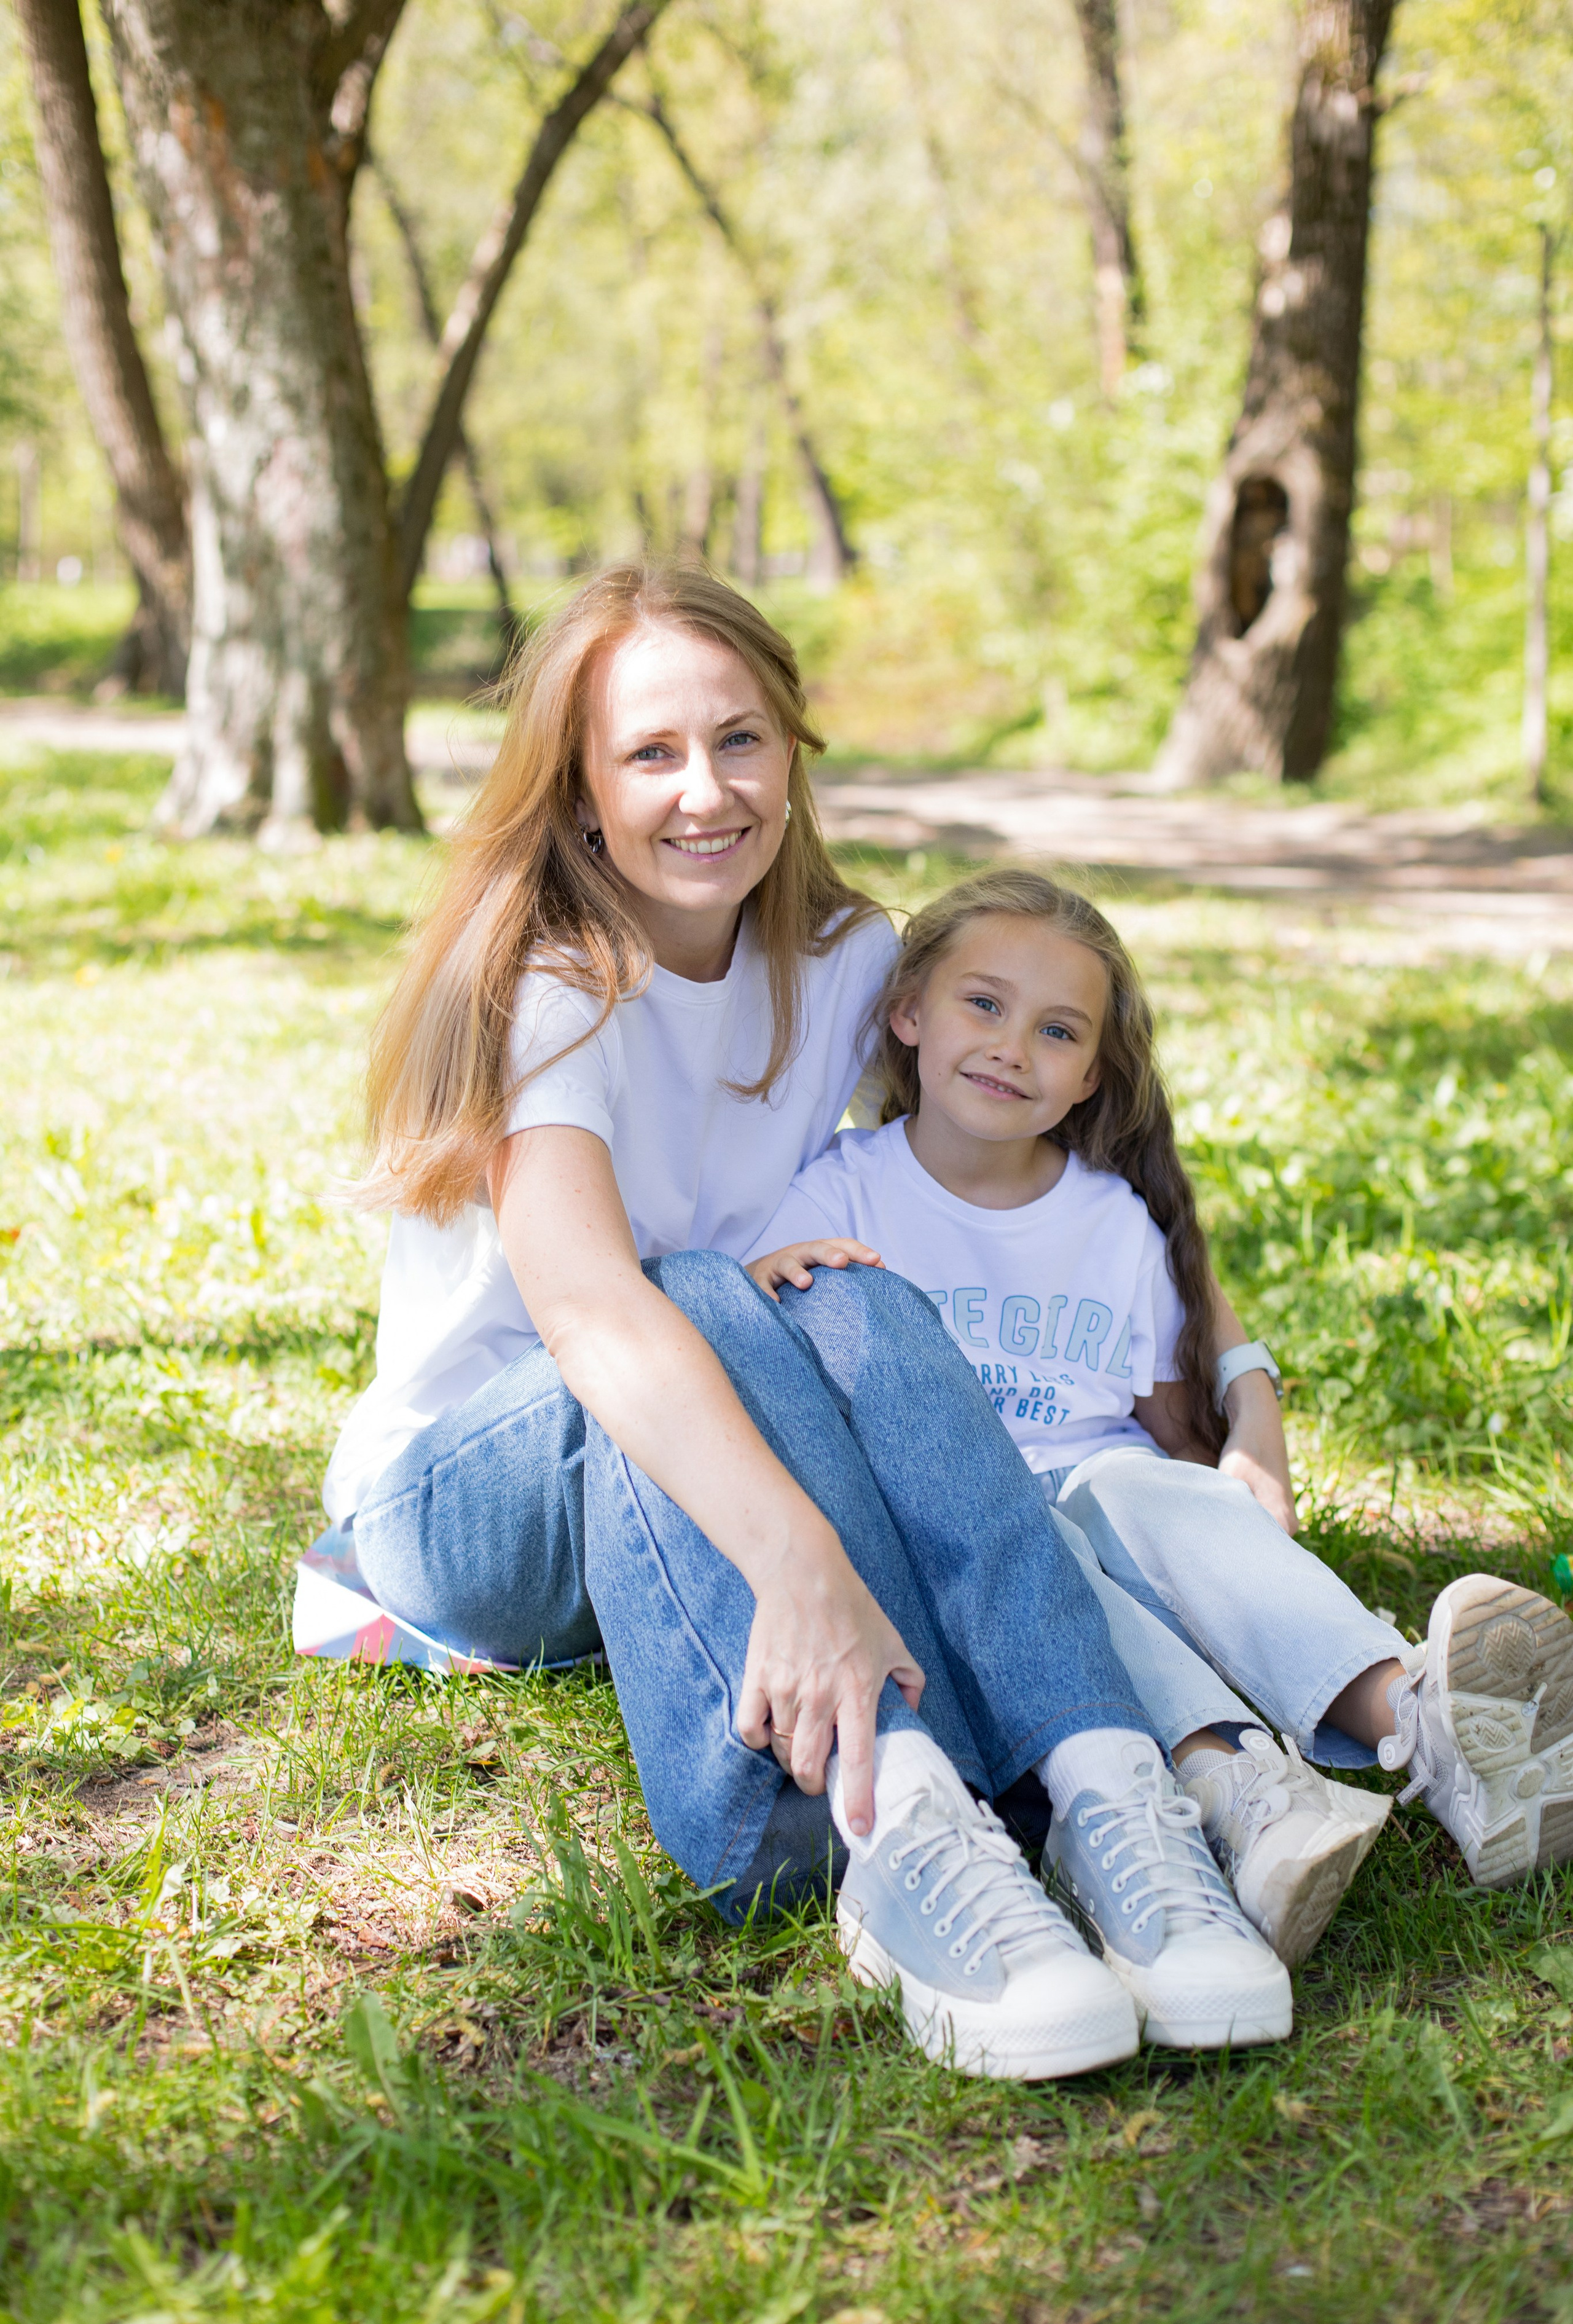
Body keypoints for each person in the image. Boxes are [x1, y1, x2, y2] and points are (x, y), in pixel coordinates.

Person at [321, 564, 1290, 2083]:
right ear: (577, 794)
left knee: (836, 1287)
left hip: (703, 1420)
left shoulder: (846, 963)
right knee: (696, 1291)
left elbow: (1082, 1165)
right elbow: (588, 1310)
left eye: (741, 741)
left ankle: (1108, 1794)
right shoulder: (547, 988)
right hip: (471, 1496)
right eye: (648, 755)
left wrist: (1239, 1387)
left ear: (792, 751)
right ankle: (896, 1830)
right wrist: (802, 1564)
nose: (704, 792)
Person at [748, 868, 1573, 1954]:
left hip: (1105, 1488)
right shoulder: (842, 1189)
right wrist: (773, 1272)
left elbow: (1164, 1411)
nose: (1010, 1047)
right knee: (1047, 1541)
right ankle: (1241, 1786)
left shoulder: (1113, 1223)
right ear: (908, 1014)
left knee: (1144, 1488)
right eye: (982, 1004)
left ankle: (1417, 1719)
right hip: (962, 1531)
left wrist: (1237, 1460)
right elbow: (759, 1334)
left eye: (1056, 1030)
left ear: (1091, 1076)